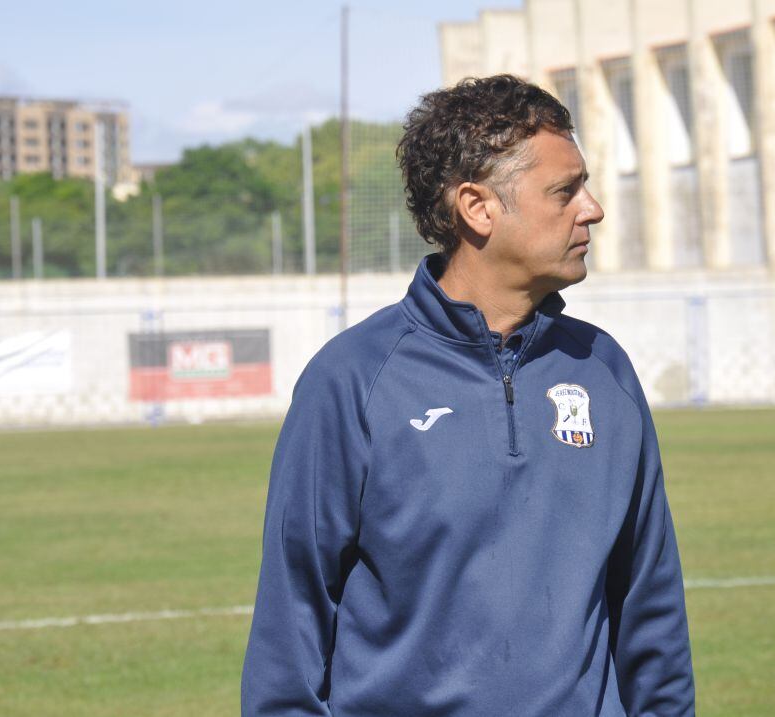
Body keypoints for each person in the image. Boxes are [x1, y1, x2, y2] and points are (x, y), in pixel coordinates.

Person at [242, 74, 695, 716]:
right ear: (478, 208)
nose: (591, 208)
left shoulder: (603, 370)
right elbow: (294, 617)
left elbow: (649, 602)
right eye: (564, 191)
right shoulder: (353, 379)